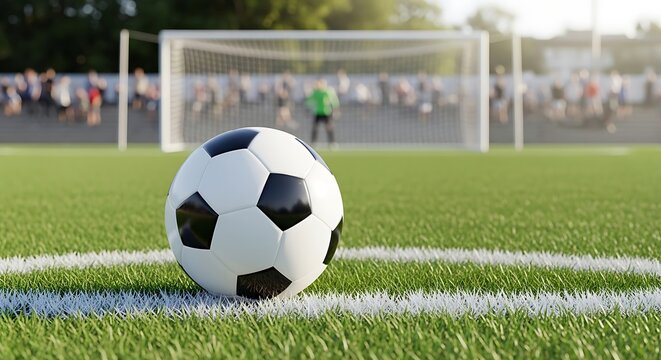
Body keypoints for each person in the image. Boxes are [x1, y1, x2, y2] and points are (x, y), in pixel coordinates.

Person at [306, 79, 339, 146]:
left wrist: (335, 110)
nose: (318, 85)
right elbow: (309, 100)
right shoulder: (315, 92)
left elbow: (334, 101)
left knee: (329, 128)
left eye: (319, 84)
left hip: (326, 112)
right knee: (315, 128)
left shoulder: (327, 92)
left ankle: (332, 142)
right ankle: (313, 142)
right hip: (318, 112)